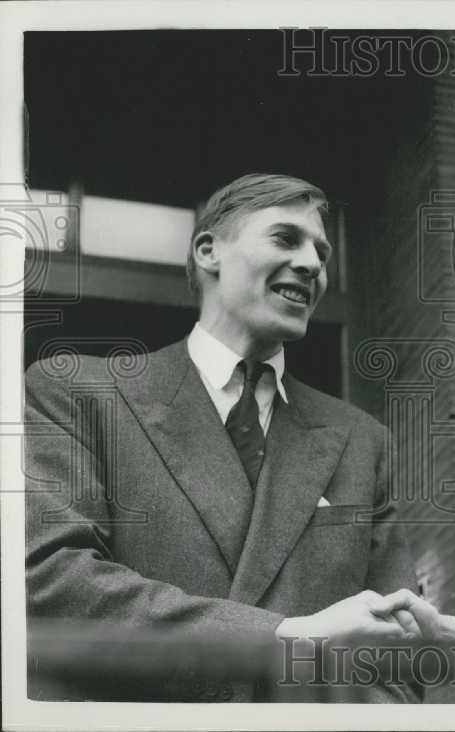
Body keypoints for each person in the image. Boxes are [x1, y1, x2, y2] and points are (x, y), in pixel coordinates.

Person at [24, 173, 423, 702]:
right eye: (286, 239)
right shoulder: (76, 392)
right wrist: (285, 639)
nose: (312, 264)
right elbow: (51, 582)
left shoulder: (361, 441)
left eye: (322, 253)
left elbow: (401, 655)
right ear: (208, 251)